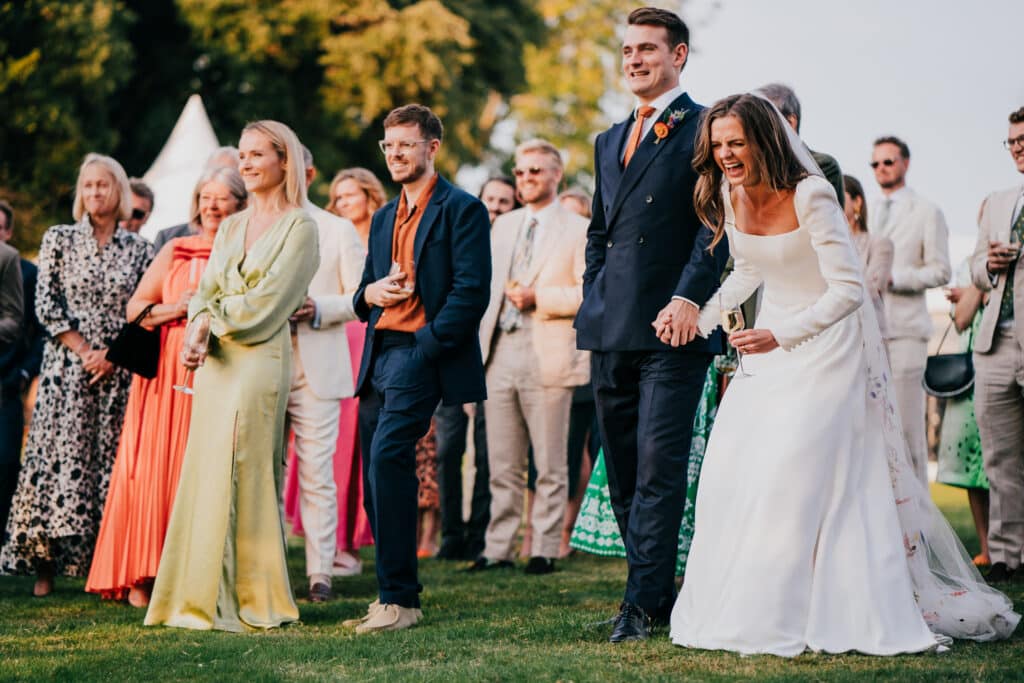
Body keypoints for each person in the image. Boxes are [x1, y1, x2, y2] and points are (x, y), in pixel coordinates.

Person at [669, 93, 1018, 655]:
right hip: (765, 351)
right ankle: (753, 602)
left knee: (801, 472)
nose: (726, 155)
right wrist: (700, 313)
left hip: (825, 347)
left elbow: (849, 291)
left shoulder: (812, 194)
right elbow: (750, 267)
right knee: (736, 467)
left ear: (765, 139)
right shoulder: (734, 193)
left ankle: (832, 604)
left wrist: (781, 334)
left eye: (736, 143)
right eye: (718, 145)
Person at [572, 7, 727, 642]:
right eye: (628, 50)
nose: (634, 60)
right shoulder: (609, 139)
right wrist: (593, 296)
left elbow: (715, 226)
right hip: (611, 328)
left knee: (659, 469)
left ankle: (641, 604)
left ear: (679, 56)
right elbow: (599, 233)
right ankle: (651, 591)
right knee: (625, 472)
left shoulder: (706, 128)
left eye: (648, 50)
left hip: (674, 329)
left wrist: (689, 301)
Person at [144, 121, 319, 632]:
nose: (244, 163)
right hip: (217, 365)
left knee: (246, 472)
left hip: (258, 364)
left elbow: (269, 306)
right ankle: (195, 595)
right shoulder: (233, 224)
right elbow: (205, 290)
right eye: (241, 154)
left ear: (284, 161)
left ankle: (252, 596)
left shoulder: (301, 228)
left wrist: (210, 322)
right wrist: (198, 326)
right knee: (206, 470)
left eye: (256, 154)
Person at [347, 104, 490, 634]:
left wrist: (427, 346)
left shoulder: (463, 209)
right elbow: (365, 291)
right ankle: (392, 595)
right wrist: (370, 293)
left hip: (419, 352)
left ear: (432, 147)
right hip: (377, 354)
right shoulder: (384, 216)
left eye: (406, 144)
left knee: (388, 458)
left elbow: (471, 292)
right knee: (376, 475)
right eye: (389, 146)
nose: (395, 154)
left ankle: (401, 601)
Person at [85, 166, 246, 607]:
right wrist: (176, 307)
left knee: (208, 471)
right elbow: (136, 308)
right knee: (157, 470)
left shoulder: (247, 252)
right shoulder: (176, 249)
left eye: (222, 198)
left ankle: (204, 575)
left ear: (240, 204)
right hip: (167, 377)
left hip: (223, 370)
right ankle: (144, 573)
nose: (212, 206)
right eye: (205, 197)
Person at [0, 154, 153, 597]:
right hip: (67, 370)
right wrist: (86, 351)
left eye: (103, 186)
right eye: (87, 186)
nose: (94, 194)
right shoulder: (59, 239)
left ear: (119, 191)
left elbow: (145, 309)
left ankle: (116, 569)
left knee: (112, 468)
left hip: (119, 370)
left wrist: (111, 355)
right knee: (57, 467)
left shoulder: (139, 249)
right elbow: (45, 304)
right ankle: (46, 568)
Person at [468, 138, 588, 575]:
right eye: (519, 172)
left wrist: (541, 297)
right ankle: (498, 547)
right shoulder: (502, 226)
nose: (525, 179)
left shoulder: (577, 228)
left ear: (556, 175)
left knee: (550, 461)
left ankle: (543, 548)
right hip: (498, 351)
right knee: (501, 460)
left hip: (549, 348)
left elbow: (589, 292)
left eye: (535, 171)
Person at [284, 166, 382, 576]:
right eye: (338, 196)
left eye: (350, 195)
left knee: (337, 458)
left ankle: (334, 558)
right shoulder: (268, 225)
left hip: (343, 349)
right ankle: (287, 558)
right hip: (280, 356)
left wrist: (320, 308)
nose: (343, 202)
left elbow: (363, 296)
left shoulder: (353, 233)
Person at [869, 135, 951, 485]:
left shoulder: (927, 211)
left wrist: (895, 277)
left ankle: (920, 531)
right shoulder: (866, 210)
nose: (881, 169)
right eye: (875, 163)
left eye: (888, 162)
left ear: (905, 163)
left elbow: (941, 270)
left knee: (906, 429)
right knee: (873, 431)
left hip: (906, 331)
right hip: (869, 331)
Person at [969, 105, 1024, 584]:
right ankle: (1007, 555)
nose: (1018, 147)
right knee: (999, 454)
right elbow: (972, 270)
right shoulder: (1000, 200)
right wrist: (989, 264)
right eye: (1011, 141)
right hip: (995, 341)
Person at [937, 262, 989, 567]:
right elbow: (962, 319)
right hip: (969, 372)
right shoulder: (970, 264)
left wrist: (971, 292)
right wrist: (979, 287)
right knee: (972, 461)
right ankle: (987, 545)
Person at [0, 200, 43, 536]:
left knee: (6, 465)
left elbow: (39, 332)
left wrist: (25, 373)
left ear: (10, 232)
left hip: (8, 384)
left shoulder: (28, 275)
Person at [756, 83, 844, 208]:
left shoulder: (822, 166)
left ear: (790, 122)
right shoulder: (751, 168)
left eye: (763, 120)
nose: (754, 129)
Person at [151, 147, 240, 251]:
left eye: (227, 175)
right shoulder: (169, 239)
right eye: (214, 172)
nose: (217, 179)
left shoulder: (252, 241)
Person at [843, 174, 894, 337]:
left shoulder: (879, 244)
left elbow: (872, 288)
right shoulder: (818, 245)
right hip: (832, 339)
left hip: (868, 336)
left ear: (857, 202)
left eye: (838, 196)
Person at [326, 167, 387, 245]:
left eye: (350, 195)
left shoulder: (388, 236)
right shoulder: (330, 241)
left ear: (370, 196)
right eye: (339, 198)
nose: (343, 204)